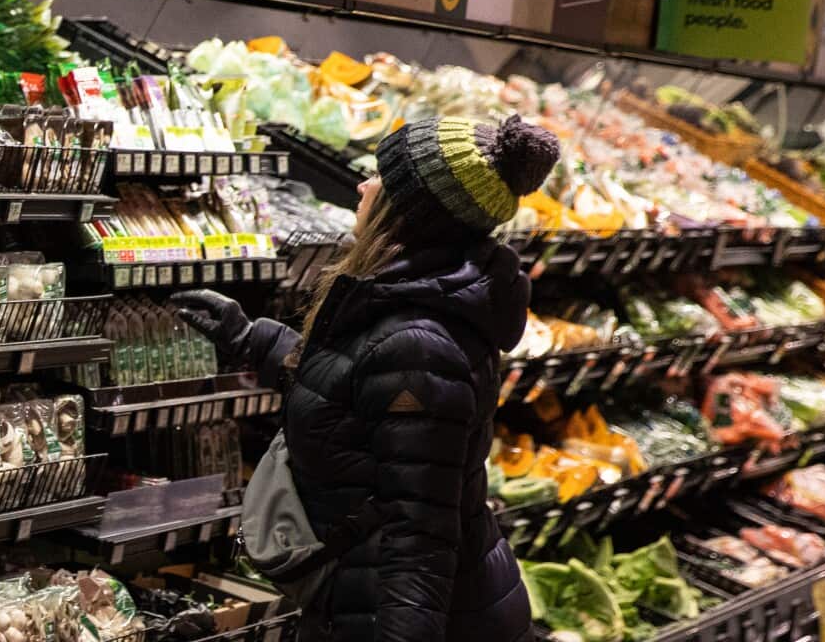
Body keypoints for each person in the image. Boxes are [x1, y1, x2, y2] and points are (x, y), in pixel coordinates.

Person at [173, 114, 559, 641]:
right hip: (365, 596)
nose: (363, 185)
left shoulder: (420, 344)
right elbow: (357, 407)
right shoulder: (412, 303)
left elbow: (419, 534)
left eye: (380, 177)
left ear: (411, 212)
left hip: (401, 614)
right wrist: (255, 341)